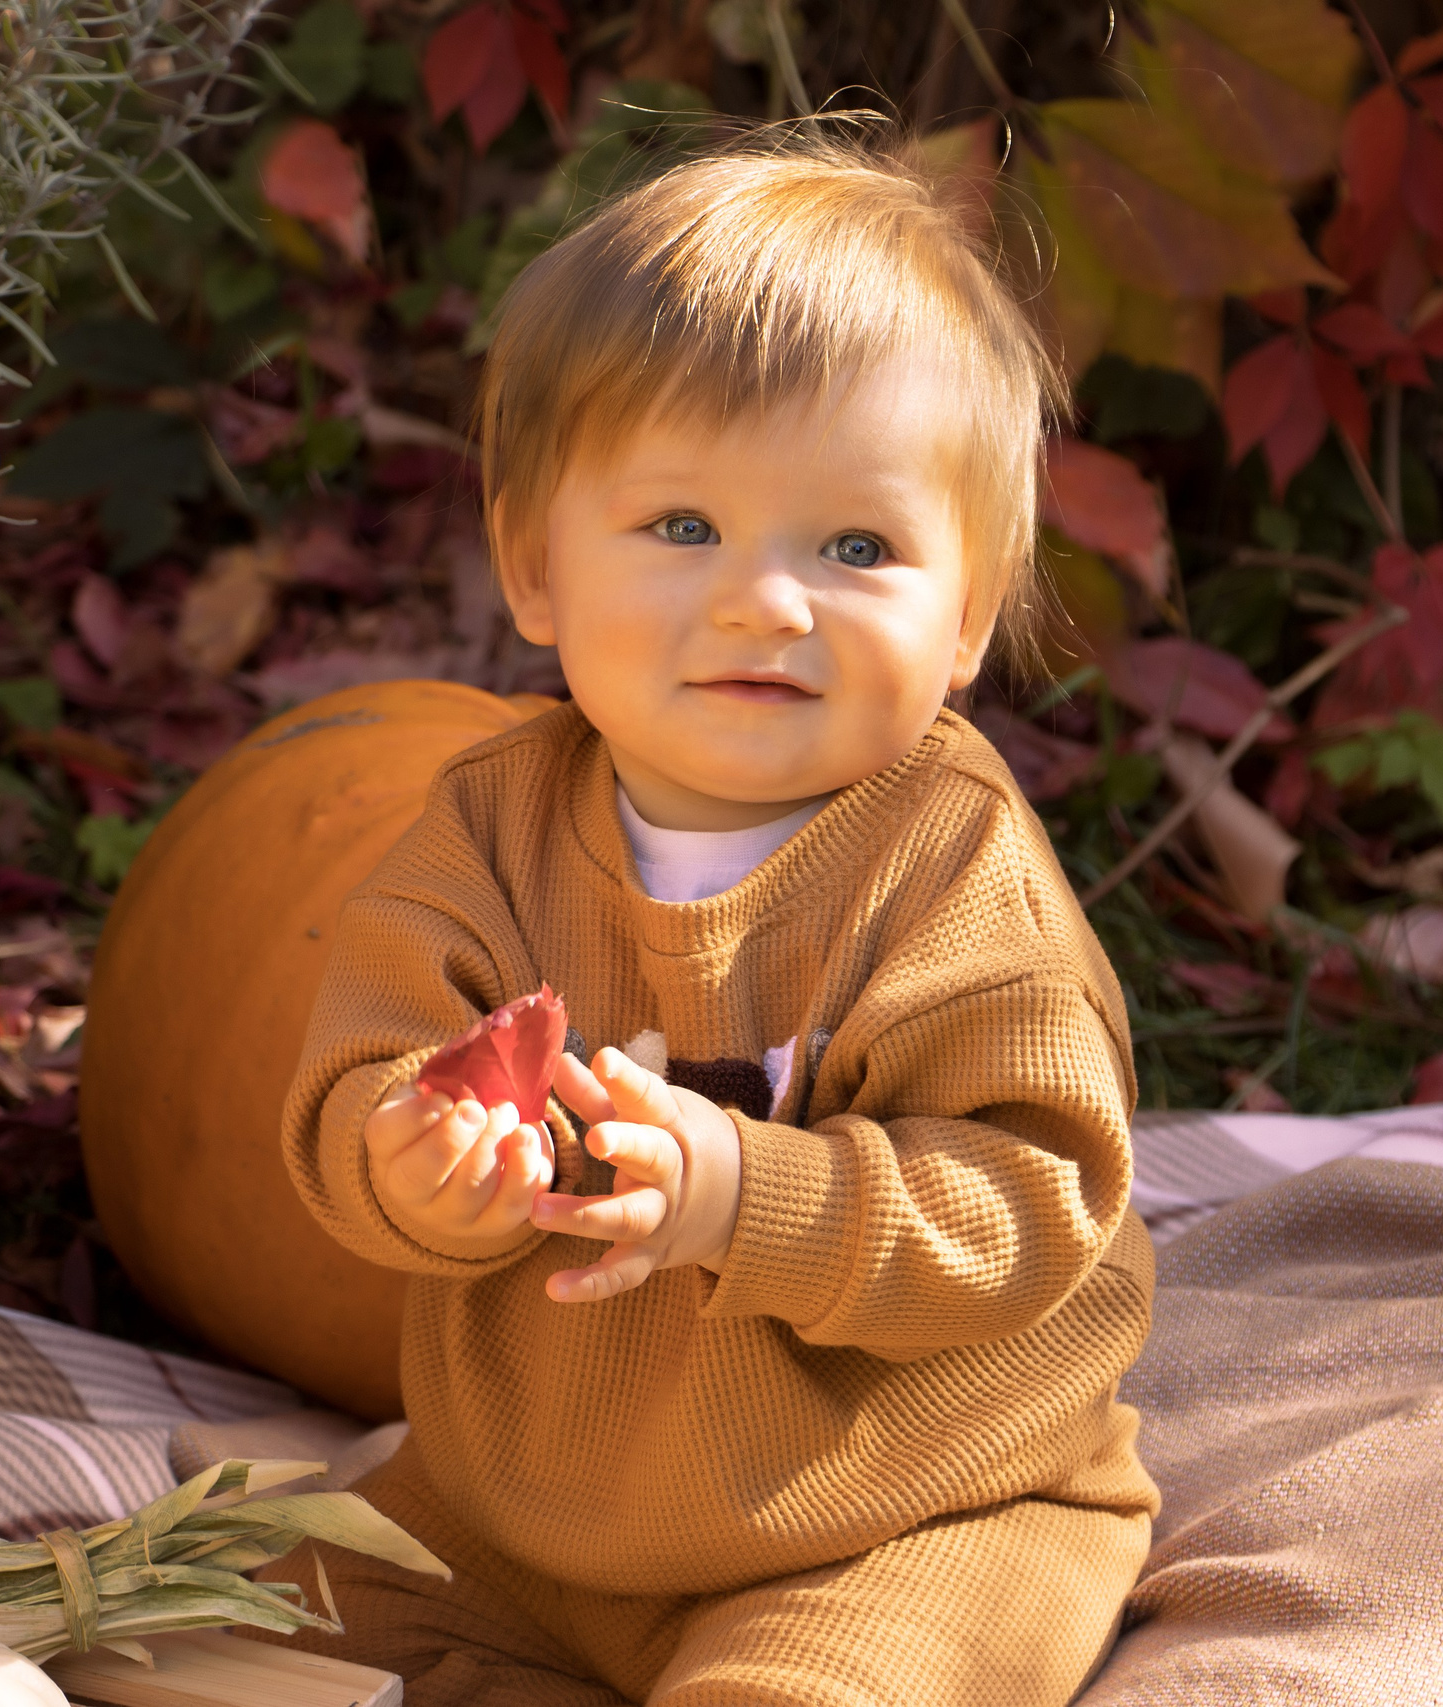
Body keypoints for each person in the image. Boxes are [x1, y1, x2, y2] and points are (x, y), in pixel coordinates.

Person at [259, 131, 1154, 1706]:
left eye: (857, 548)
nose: (765, 601)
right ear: (534, 564)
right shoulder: (489, 829)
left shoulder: (948, 866)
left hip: (898, 1516)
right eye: (684, 526)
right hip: (521, 1520)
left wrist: (748, 1196)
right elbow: (355, 1091)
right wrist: (418, 1170)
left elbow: (1031, 1202)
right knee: (213, 1632)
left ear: (969, 611)